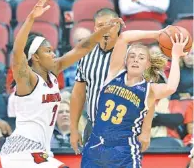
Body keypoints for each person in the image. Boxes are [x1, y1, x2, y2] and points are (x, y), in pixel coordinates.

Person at [0, 0, 122, 168]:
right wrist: (31, 18)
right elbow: (18, 52)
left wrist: (103, 30)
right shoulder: (27, 79)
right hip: (21, 149)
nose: (53, 54)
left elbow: (82, 48)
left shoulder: (53, 71)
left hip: (41, 149)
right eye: (48, 51)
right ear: (35, 57)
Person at [81, 29, 189, 168]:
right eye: (132, 56)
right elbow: (124, 37)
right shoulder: (113, 74)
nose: (136, 59)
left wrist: (175, 56)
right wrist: (157, 33)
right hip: (95, 147)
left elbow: (171, 87)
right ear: (125, 61)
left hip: (123, 151)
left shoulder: (149, 89)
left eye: (141, 57)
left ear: (148, 64)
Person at [70, 8, 152, 155]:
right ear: (95, 28)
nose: (106, 29)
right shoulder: (85, 54)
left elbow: (148, 95)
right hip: (93, 127)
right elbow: (78, 95)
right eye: (101, 26)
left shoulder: (131, 55)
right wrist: (74, 129)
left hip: (124, 131)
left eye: (111, 25)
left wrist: (146, 131)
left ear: (119, 27)